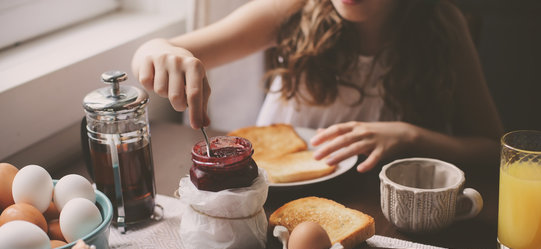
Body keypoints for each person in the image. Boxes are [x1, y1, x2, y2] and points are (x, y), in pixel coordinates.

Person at [131, 0, 504, 173]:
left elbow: (493, 150)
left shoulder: (443, 26)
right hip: (270, 200)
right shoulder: (292, 9)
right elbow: (151, 55)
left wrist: (410, 136)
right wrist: (159, 52)